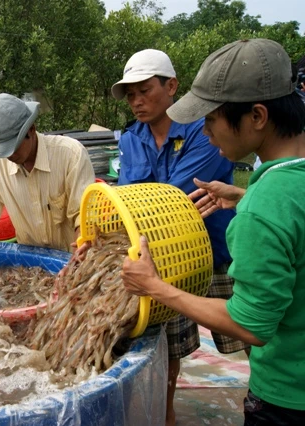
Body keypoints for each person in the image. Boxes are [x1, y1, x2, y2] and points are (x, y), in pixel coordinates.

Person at [123, 39, 305, 425]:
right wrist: (244, 194)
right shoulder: (281, 187)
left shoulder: (263, 207)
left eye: (211, 120)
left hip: (288, 395)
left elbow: (250, 324)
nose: (205, 132)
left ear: (257, 116)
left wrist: (155, 287)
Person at [110, 49, 248, 426]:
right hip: (164, 257)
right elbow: (126, 197)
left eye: (145, 91)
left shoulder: (205, 131)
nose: (137, 102)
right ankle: (166, 416)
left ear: (172, 86)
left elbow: (173, 198)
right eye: (131, 95)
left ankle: (265, 397)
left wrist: (133, 205)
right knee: (167, 340)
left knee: (247, 328)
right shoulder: (131, 139)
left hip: (213, 245)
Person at [0, 93, 95, 289]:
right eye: (1, 150)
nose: (7, 156)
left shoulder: (70, 155)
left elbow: (84, 219)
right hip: (31, 269)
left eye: (11, 147)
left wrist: (75, 264)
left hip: (73, 260)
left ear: (31, 129)